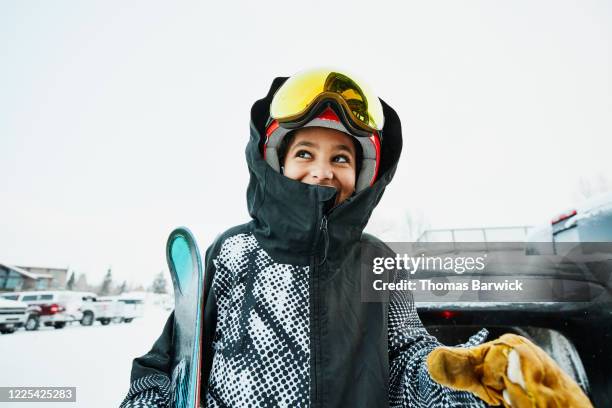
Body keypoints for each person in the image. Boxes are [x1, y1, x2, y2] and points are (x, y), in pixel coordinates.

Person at [120, 68, 592, 408]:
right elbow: (167, 366)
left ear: (363, 174)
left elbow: (409, 360)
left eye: (342, 158)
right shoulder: (232, 251)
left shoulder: (378, 261)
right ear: (276, 160)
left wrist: (467, 380)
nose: (322, 171)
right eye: (305, 151)